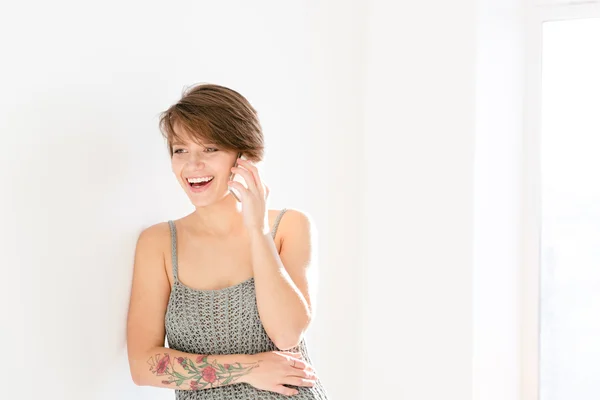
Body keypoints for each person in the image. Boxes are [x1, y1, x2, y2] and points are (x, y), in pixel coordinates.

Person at [126, 83, 329, 399]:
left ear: (243, 155)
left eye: (210, 149)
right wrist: (251, 368)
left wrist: (258, 231)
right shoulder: (159, 244)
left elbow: (287, 333)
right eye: (180, 150)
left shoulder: (288, 226)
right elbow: (143, 365)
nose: (193, 165)